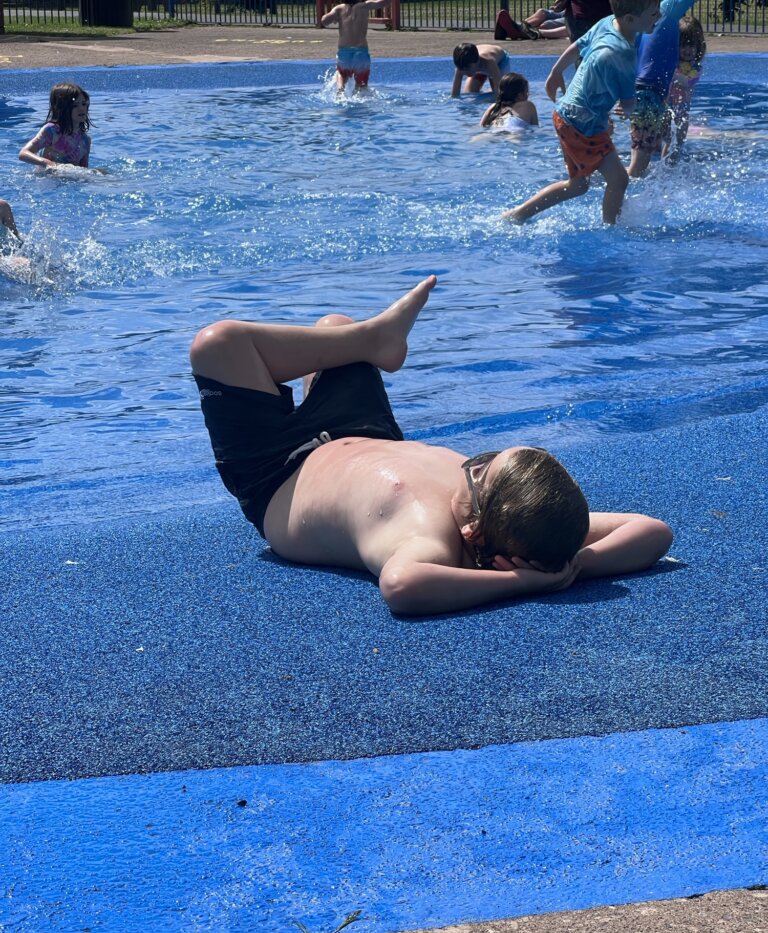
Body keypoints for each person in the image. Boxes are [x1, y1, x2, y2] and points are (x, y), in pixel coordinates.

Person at [190, 276, 673, 616]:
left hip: (278, 472)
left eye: (480, 469)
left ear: (473, 529)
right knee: (334, 326)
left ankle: (373, 338)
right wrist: (575, 566)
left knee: (218, 343)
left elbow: (401, 586)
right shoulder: (534, 520)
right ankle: (369, 338)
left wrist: (522, 582)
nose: (474, 461)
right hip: (366, 433)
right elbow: (652, 530)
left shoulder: (432, 538)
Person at [503, 0, 662, 226]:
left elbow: (577, 45)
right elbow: (628, 105)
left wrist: (555, 72)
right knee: (615, 180)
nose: (660, 15)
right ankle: (611, 230)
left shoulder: (608, 22)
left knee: (581, 185)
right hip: (580, 124)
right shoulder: (624, 54)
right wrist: (646, 115)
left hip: (570, 116)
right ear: (630, 20)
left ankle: (518, 215)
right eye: (654, 13)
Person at [627, 0, 697, 178]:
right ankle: (619, 198)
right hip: (649, 94)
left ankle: (620, 192)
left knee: (639, 156)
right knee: (639, 165)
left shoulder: (641, 19)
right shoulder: (665, 11)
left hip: (641, 93)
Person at [19, 82, 94, 170]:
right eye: (75, 105)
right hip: (47, 179)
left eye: (84, 104)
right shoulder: (51, 131)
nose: (82, 108)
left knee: (102, 173)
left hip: (71, 181)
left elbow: (84, 171)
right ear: (62, 108)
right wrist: (47, 163)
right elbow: (23, 153)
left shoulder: (85, 140)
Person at [320, 0, 390, 92]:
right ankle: (357, 97)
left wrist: (334, 18)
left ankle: (341, 89)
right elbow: (383, 2)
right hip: (361, 52)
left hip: (344, 52)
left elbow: (324, 21)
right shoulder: (365, 6)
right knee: (361, 86)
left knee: (341, 73)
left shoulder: (339, 8)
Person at [663, 15, 707, 161]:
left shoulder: (695, 67)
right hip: (666, 102)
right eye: (683, 45)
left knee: (682, 124)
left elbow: (687, 83)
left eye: (692, 45)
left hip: (682, 103)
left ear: (698, 46)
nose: (687, 50)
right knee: (665, 126)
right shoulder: (670, 61)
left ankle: (677, 148)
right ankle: (665, 146)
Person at [495, 6, 569, 41]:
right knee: (541, 12)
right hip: (566, 11)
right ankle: (519, 27)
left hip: (576, 18)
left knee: (547, 24)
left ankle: (517, 32)